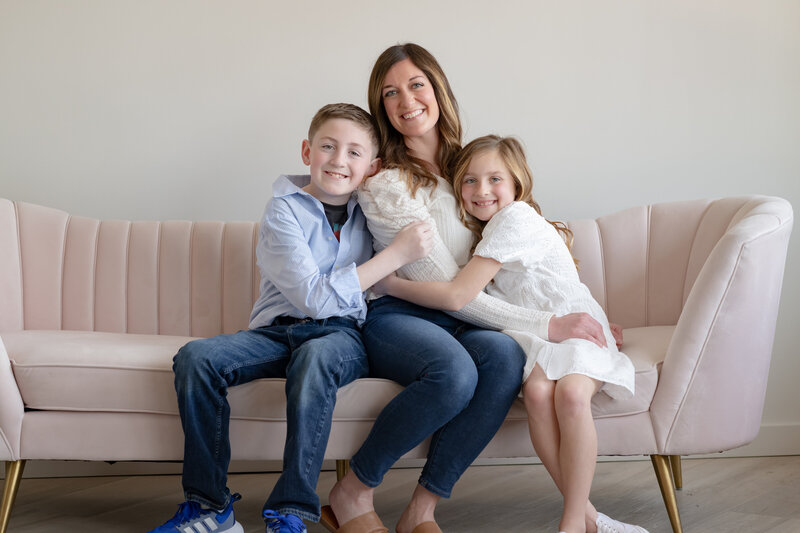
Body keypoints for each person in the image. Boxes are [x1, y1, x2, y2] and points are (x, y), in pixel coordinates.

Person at [321, 44, 617, 533]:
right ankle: (353, 491)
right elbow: (444, 286)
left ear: (438, 91)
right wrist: (549, 324)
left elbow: (524, 247)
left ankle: (422, 510)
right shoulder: (385, 183)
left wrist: (582, 316)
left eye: (417, 84)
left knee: (502, 359)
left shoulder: (471, 168)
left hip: (469, 314)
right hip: (404, 313)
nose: (406, 100)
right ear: (382, 108)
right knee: (453, 371)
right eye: (390, 92)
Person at [147, 103, 433, 533]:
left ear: (371, 167)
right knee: (196, 357)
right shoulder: (283, 211)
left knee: (316, 357)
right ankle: (210, 508)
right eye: (328, 147)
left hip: (341, 338)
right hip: (276, 332)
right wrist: (396, 255)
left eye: (355, 153)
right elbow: (314, 298)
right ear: (306, 151)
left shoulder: (375, 213)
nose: (339, 160)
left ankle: (292, 511)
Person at [375, 134, 648, 533]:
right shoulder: (485, 235)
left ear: (517, 183)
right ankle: (590, 519)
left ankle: (572, 523)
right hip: (539, 336)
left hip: (569, 326)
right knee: (538, 393)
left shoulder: (515, 218)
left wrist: (389, 284)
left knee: (571, 394)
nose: (481, 190)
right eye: (468, 181)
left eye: (494, 179)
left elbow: (457, 295)